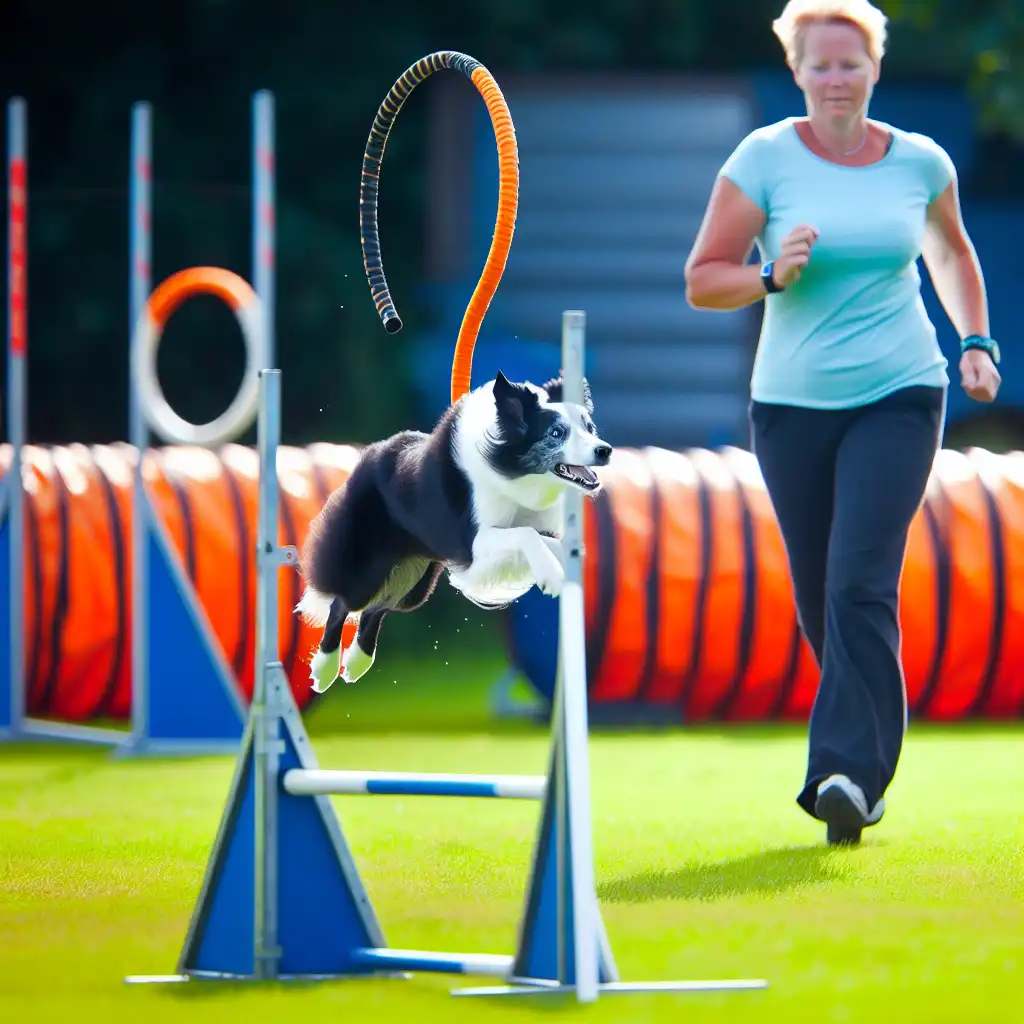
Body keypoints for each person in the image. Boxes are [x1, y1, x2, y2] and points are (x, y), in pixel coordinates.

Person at [684, 0, 1001, 845]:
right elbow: (704, 277)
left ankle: (845, 777)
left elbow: (952, 252)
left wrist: (975, 340)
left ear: (874, 69)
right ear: (796, 71)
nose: (835, 79)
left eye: (849, 63)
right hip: (789, 407)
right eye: (819, 64)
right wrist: (771, 276)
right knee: (821, 600)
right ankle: (868, 764)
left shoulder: (921, 163)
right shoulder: (764, 158)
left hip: (901, 393)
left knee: (860, 580)